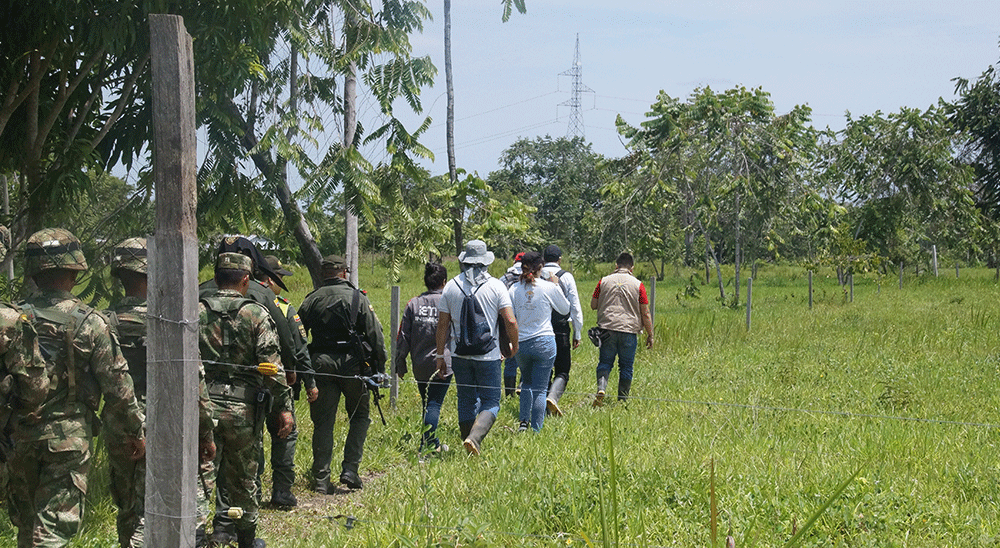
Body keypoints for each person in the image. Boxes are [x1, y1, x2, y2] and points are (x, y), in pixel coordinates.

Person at [6, 228, 145, 548]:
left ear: (34, 272)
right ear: (74, 271)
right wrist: (135, 431)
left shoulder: (11, 317)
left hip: (19, 438)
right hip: (67, 441)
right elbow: (118, 387)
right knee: (53, 531)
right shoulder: (91, 322)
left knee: (28, 528)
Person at [103, 238, 216, 548]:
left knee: (128, 506)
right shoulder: (171, 321)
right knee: (175, 504)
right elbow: (196, 384)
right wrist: (205, 432)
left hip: (120, 427)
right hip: (168, 424)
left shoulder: (102, 322)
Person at [199, 238, 315, 540]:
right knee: (244, 476)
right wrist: (284, 408)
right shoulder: (257, 309)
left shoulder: (197, 307)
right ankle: (247, 537)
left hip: (202, 406)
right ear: (247, 279)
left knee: (201, 476)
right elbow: (272, 366)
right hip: (244, 410)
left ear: (215, 276)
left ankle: (198, 536)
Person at [298, 255, 386, 492]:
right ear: (344, 273)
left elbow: (297, 337)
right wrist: (380, 367)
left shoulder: (311, 300)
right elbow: (376, 336)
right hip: (354, 365)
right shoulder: (358, 297)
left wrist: (303, 371)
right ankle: (350, 469)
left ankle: (320, 479)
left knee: (323, 423)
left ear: (324, 273)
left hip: (321, 364)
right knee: (359, 417)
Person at [435, 240, 518, 455]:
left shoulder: (451, 287)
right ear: (486, 262)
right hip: (488, 355)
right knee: (491, 401)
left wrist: (439, 355)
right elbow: (510, 321)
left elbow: (442, 325)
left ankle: (468, 444)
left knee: (465, 399)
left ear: (464, 262)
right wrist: (514, 345)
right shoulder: (496, 286)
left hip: (459, 355)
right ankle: (474, 438)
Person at [256, 254, 318, 509]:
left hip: (247, 383)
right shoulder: (281, 307)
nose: (281, 283)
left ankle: (253, 490)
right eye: (280, 278)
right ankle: (281, 491)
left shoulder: (243, 300)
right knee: (285, 432)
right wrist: (310, 381)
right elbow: (299, 349)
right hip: (279, 383)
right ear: (271, 280)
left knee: (252, 437)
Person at [394, 262, 452, 453]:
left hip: (420, 364)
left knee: (427, 404)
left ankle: (431, 440)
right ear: (444, 281)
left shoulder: (414, 303)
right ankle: (427, 444)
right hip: (443, 363)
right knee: (433, 403)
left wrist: (399, 363)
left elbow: (403, 336)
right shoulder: (449, 302)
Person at [509, 251, 569, 432]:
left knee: (526, 382)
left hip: (522, 342)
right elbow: (565, 309)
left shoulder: (513, 289)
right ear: (540, 267)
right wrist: (556, 286)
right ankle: (536, 428)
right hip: (544, 341)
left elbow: (510, 316)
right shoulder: (548, 287)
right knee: (541, 388)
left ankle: (523, 423)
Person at [590, 252, 654, 406]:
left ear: (616, 265)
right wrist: (650, 334)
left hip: (607, 329)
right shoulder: (638, 285)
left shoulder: (603, 281)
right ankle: (622, 401)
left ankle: (601, 389)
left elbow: (593, 304)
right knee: (626, 366)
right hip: (629, 331)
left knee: (605, 362)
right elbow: (645, 312)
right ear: (632, 267)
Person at [500, 252, 523, 397]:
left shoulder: (504, 279)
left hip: (507, 321)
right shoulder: (530, 277)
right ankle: (522, 386)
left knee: (510, 359)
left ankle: (509, 393)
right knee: (527, 358)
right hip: (526, 322)